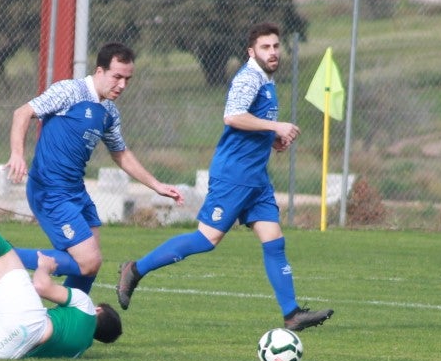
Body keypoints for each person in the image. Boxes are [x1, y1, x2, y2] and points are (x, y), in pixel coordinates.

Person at [116, 22, 333, 332]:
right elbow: (232, 116)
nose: (273, 52)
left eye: (275, 46)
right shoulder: (248, 78)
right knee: (206, 239)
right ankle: (135, 269)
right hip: (233, 175)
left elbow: (249, 124)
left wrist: (272, 140)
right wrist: (275, 128)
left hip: (255, 178)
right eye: (265, 47)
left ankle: (292, 314)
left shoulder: (266, 82)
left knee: (274, 242)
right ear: (251, 51)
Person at [4, 43, 184, 294]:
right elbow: (22, 113)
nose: (122, 85)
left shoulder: (109, 111)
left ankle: (72, 321)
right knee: (88, 262)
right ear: (100, 71)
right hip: (49, 190)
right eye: (117, 77)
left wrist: (157, 185)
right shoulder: (70, 91)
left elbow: (120, 153)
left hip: (76, 192)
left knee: (91, 264)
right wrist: (17, 154)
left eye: (127, 79)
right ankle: (5, 259)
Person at [0, 196, 122, 358]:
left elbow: (41, 286)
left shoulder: (86, 305)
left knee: (3, 252)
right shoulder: (79, 350)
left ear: (98, 310)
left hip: (29, 326)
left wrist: (44, 268)